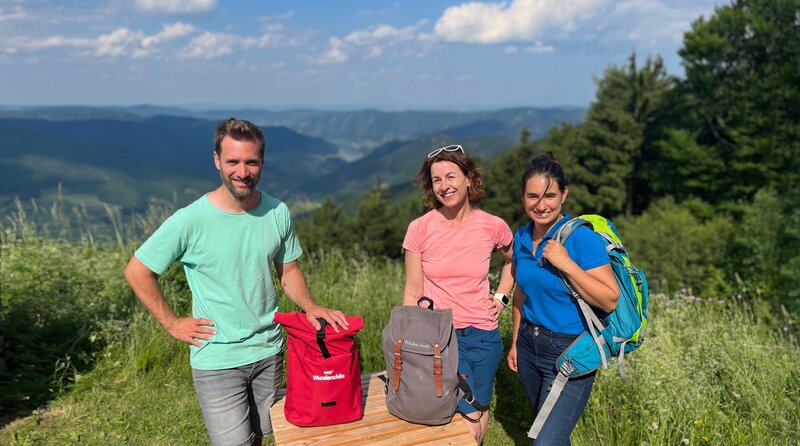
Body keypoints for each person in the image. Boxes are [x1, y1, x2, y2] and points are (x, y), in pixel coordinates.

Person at [124, 118, 348, 446]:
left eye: (251, 162)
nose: (242, 172)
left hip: (269, 348)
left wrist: (310, 306)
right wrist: (172, 323)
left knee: (264, 435)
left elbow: (289, 271)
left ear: (262, 163)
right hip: (217, 358)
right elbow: (137, 271)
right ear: (217, 160)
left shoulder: (277, 212)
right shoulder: (190, 220)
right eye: (233, 161)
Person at [402, 144, 514, 444]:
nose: (444, 186)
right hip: (441, 338)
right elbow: (412, 290)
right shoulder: (419, 229)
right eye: (436, 180)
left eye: (450, 176)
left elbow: (515, 260)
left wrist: (502, 297)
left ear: (468, 178)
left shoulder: (493, 226)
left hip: (484, 336)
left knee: (479, 407)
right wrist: (410, 343)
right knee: (464, 420)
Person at [507, 152, 619, 445]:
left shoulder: (581, 239)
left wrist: (567, 263)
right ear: (522, 197)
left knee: (546, 441)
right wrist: (515, 341)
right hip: (529, 346)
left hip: (568, 351)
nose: (541, 205)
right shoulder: (521, 237)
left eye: (550, 196)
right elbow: (521, 291)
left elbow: (609, 300)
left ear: (564, 195)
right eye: (533, 196)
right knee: (552, 435)